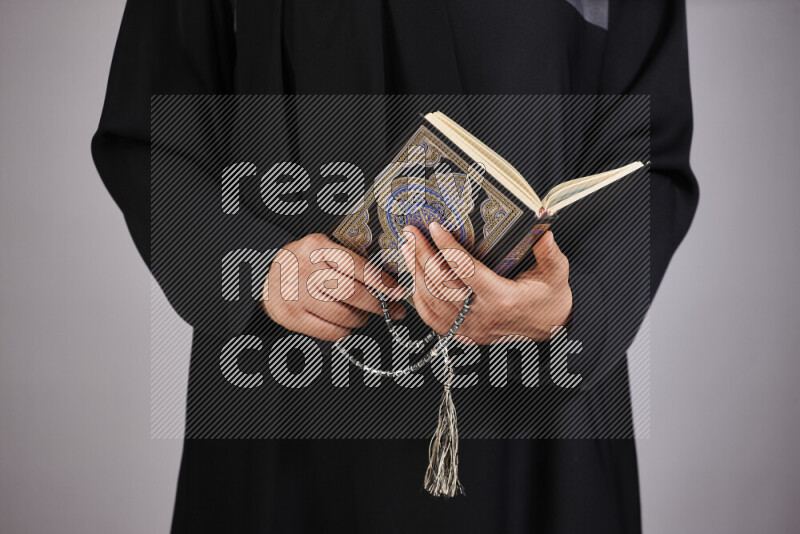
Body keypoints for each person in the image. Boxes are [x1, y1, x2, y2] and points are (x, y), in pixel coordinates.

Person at [92, 0, 698, 531]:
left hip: (532, 411)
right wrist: (257, 271)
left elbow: (649, 151)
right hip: (286, 404)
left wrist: (574, 304)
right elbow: (149, 132)